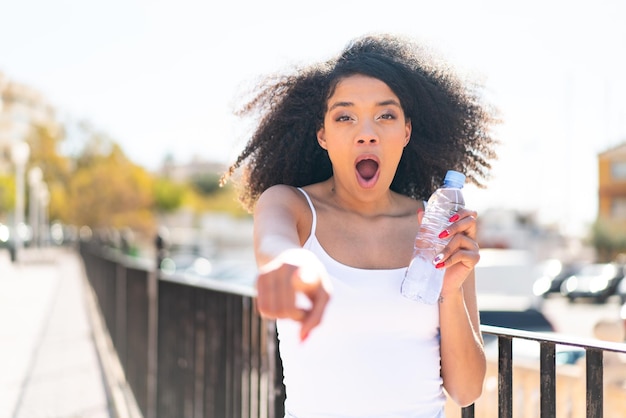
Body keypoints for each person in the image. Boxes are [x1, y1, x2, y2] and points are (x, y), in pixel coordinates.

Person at [221, 33, 499, 418]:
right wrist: (293, 265)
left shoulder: (440, 228)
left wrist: (449, 290)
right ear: (323, 135)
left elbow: (466, 390)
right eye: (345, 116)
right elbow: (274, 242)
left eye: (386, 115)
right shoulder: (291, 205)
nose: (366, 132)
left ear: (406, 132)